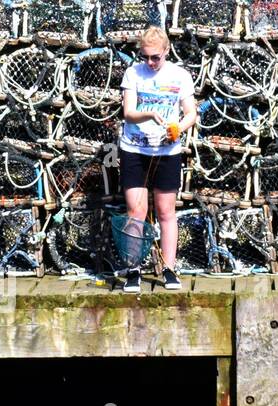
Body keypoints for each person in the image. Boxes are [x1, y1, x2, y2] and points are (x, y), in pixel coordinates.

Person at [118, 25, 199, 293]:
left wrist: (178, 128)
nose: (150, 62)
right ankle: (133, 270)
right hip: (135, 150)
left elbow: (191, 114)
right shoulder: (133, 73)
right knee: (136, 211)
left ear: (166, 51)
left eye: (156, 57)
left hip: (166, 152)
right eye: (146, 57)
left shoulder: (180, 75)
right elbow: (129, 112)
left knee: (166, 212)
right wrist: (149, 115)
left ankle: (169, 268)